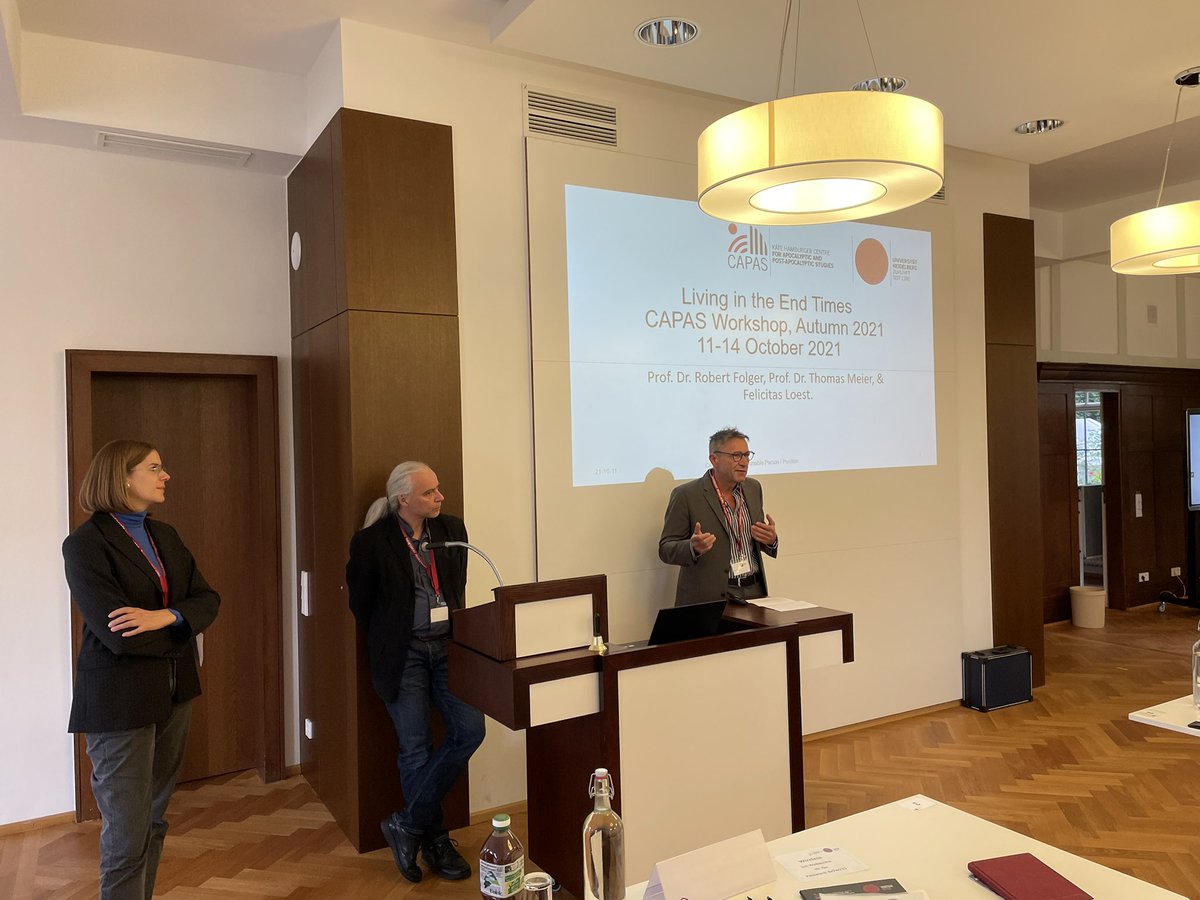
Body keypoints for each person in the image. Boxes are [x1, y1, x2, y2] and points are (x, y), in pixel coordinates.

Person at [62, 440, 220, 900]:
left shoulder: (165, 535)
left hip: (175, 692)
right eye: (154, 467)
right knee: (127, 835)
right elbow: (119, 635)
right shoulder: (85, 545)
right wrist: (181, 624)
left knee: (152, 820)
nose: (165, 475)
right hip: (119, 701)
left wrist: (164, 616)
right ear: (122, 476)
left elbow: (208, 599)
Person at [346, 461, 485, 884]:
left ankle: (406, 824)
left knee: (470, 730)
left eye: (438, 489)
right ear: (403, 499)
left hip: (447, 649)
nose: (440, 497)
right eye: (429, 492)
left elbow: (457, 588)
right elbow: (361, 605)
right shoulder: (372, 542)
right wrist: (396, 635)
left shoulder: (452, 530)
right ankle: (434, 840)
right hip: (403, 654)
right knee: (415, 749)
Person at [659, 427, 778, 606]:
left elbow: (756, 537)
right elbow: (665, 549)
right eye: (736, 456)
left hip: (753, 592)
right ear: (714, 459)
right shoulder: (687, 495)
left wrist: (770, 540)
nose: (744, 462)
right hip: (710, 597)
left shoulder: (753, 488)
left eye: (747, 455)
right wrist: (692, 547)